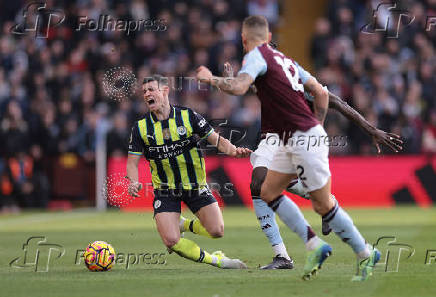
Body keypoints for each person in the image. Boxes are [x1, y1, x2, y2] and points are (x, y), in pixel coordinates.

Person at [196, 15, 393, 281]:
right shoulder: (287, 62)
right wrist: (319, 126)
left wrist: (211, 79)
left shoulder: (256, 57)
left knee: (322, 205)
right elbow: (321, 94)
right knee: (266, 190)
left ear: (245, 40)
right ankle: (312, 246)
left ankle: (364, 253)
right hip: (294, 136)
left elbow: (240, 87)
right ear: (268, 37)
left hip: (299, 136)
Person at [220, 58, 402, 270]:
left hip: (299, 139)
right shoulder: (263, 79)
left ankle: (356, 243)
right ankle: (283, 256)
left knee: (297, 194)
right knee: (259, 184)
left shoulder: (298, 80)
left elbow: (337, 103)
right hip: (271, 139)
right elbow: (243, 87)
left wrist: (372, 130)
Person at [126, 75, 252, 269]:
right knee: (171, 241)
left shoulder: (188, 116)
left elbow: (216, 140)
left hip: (196, 186)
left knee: (217, 231)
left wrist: (235, 151)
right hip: (166, 190)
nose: (147, 94)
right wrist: (133, 182)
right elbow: (132, 163)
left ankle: (183, 224)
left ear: (165, 90)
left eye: (151, 89)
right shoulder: (141, 128)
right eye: (144, 92)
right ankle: (218, 261)